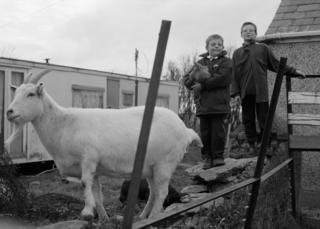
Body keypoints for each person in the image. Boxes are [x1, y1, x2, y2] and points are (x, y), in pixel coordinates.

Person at [231, 22, 305, 156]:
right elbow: (234, 75)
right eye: (245, 31)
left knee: (264, 119)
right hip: (245, 93)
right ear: (241, 34)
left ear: (256, 33)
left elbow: (276, 65)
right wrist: (235, 93)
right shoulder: (237, 53)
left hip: (261, 93)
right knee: (248, 120)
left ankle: (266, 145)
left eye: (251, 30)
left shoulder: (263, 49)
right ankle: (252, 144)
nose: (248, 32)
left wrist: (294, 71)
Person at [184, 34, 232, 169]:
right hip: (203, 105)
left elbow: (223, 78)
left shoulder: (226, 62)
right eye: (213, 44)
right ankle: (206, 158)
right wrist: (193, 76)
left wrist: (203, 85)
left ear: (223, 47)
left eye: (219, 44)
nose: (216, 46)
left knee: (218, 132)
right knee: (205, 133)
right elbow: (187, 81)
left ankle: (217, 157)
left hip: (219, 105)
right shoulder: (201, 63)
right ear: (207, 47)